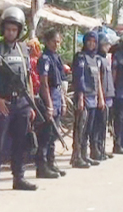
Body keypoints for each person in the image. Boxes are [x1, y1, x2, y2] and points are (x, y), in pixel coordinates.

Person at [0, 7, 38, 194]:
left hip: (21, 103)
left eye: (14, 30)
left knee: (21, 141)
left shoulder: (23, 50)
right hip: (3, 103)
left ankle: (19, 177)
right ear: (2, 30)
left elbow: (28, 77)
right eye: (8, 29)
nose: (11, 33)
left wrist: (31, 105)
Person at [35, 29, 67, 178]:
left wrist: (63, 102)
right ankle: (42, 167)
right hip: (48, 96)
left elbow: (60, 82)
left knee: (54, 134)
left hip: (57, 96)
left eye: (58, 41)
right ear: (47, 42)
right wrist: (49, 105)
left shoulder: (56, 57)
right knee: (45, 135)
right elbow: (44, 83)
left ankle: (51, 163)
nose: (56, 44)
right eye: (54, 41)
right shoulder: (45, 58)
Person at [70, 31, 105, 168]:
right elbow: (79, 79)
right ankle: (77, 157)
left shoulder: (96, 59)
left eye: (94, 42)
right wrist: (80, 98)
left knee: (89, 128)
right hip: (83, 97)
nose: (91, 44)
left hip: (93, 98)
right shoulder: (80, 57)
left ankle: (85, 155)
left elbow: (98, 80)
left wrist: (100, 97)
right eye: (89, 41)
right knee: (80, 128)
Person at [93, 31, 115, 161]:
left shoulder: (106, 59)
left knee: (104, 125)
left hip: (109, 96)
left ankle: (102, 149)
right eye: (105, 44)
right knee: (97, 126)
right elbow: (99, 80)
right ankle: (96, 150)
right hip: (101, 97)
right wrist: (100, 96)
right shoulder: (97, 59)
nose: (108, 47)